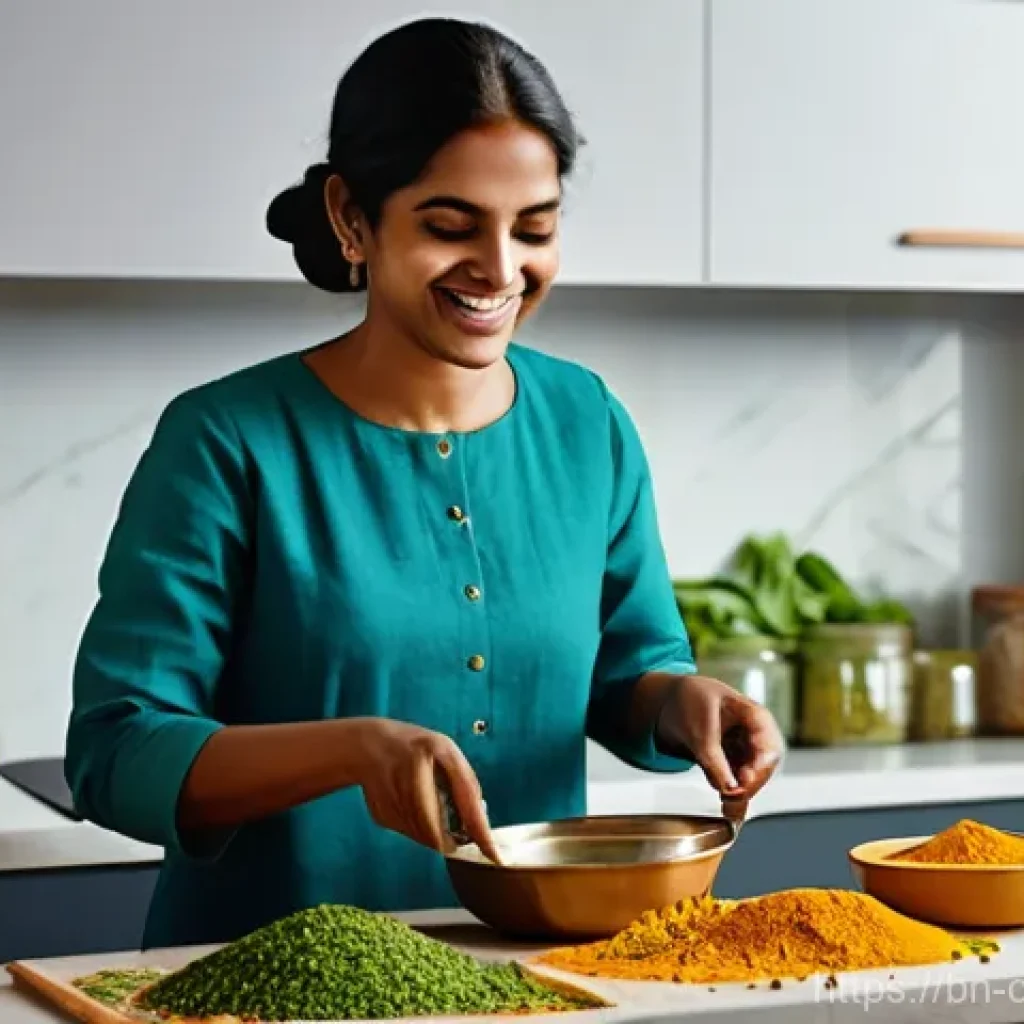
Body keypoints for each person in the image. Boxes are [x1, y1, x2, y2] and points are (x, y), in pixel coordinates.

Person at [64, 16, 784, 950]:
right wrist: (353, 748)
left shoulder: (587, 423)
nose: (498, 269)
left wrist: (687, 705)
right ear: (351, 218)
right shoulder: (228, 440)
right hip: (267, 985)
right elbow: (116, 751)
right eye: (450, 227)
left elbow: (626, 671)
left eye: (534, 229)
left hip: (532, 976)